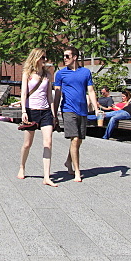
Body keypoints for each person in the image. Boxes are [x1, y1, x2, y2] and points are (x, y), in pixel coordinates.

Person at [53, 45, 98, 183]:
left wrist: (96, 108)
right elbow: (57, 94)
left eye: (67, 56)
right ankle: (77, 171)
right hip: (68, 109)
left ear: (75, 57)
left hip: (82, 110)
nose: (64, 59)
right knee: (75, 138)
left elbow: (90, 91)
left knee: (78, 140)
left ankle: (68, 161)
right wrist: (54, 113)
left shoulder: (85, 72)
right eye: (63, 56)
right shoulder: (60, 74)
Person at [18, 48, 60, 186]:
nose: (45, 60)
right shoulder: (27, 74)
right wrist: (24, 111)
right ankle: (22, 167)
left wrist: (54, 114)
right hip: (31, 111)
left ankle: (47, 177)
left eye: (45, 57)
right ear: (36, 58)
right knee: (27, 144)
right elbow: (23, 94)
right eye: (43, 57)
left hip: (45, 112)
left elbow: (50, 96)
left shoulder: (47, 75)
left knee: (48, 143)